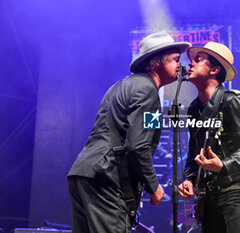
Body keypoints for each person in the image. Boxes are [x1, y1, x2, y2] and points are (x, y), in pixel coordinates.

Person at [68, 32, 191, 233]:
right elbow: (138, 145)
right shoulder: (148, 91)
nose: (181, 65)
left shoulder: (122, 85)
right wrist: (154, 186)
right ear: (156, 62)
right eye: (176, 59)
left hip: (84, 174)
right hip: (106, 178)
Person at [177, 42, 240, 233]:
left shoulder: (233, 100)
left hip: (237, 192)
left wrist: (223, 166)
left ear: (215, 69)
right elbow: (194, 153)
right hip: (209, 196)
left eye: (198, 60)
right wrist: (190, 180)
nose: (190, 64)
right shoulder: (193, 108)